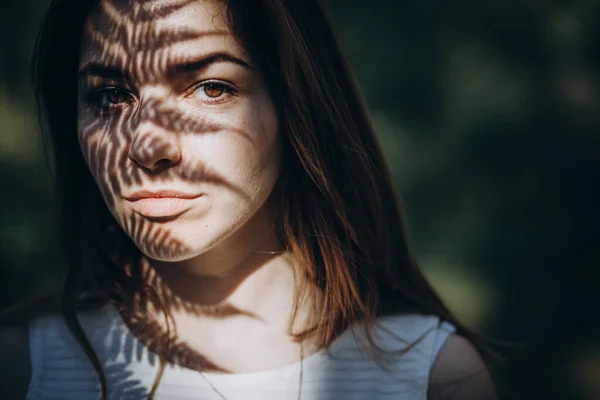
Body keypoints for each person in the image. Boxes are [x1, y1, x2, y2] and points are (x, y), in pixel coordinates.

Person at [0, 0, 498, 399]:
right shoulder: (23, 368)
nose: (146, 144)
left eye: (210, 87)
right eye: (109, 96)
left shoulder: (431, 376)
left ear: (294, 105)